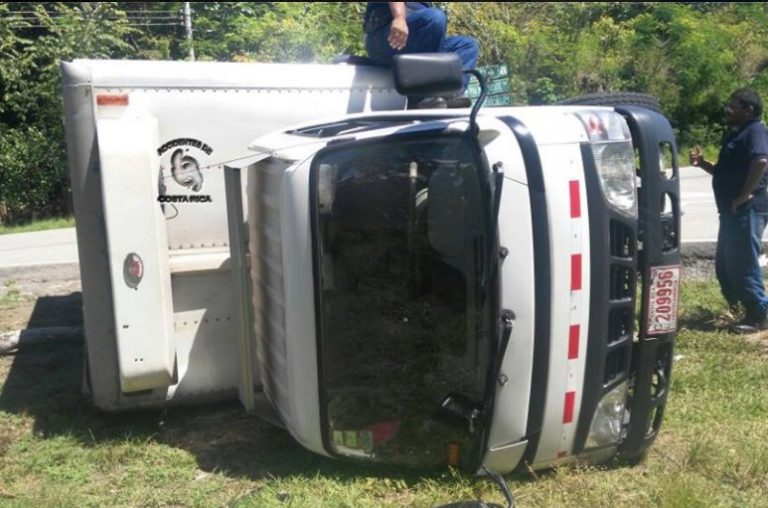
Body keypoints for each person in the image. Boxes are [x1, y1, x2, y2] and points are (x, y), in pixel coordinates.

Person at [690, 88, 768, 333]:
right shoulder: (738, 134)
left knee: (741, 262)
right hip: (732, 211)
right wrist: (703, 164)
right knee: (724, 264)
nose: (728, 109)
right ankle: (740, 308)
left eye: (733, 105)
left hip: (748, 209)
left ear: (749, 110)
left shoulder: (755, 130)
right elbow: (725, 172)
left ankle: (759, 314)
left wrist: (744, 196)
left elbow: (761, 162)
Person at [363, 2, 479, 109]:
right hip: (385, 37)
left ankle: (451, 94)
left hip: (414, 40)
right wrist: (399, 18)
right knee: (435, 18)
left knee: (467, 45)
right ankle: (419, 97)